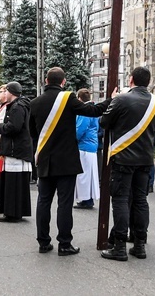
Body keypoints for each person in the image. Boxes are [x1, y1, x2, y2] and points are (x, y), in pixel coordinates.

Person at [29, 66, 112, 256]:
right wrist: (111, 99)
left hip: (45, 160)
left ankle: (43, 242)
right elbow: (92, 110)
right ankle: (64, 244)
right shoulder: (68, 99)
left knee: (43, 202)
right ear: (63, 82)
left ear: (46, 81)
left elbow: (32, 133)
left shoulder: (34, 103)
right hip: (66, 161)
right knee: (64, 204)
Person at [99, 66, 155, 262]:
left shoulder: (122, 99)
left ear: (131, 79)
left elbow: (103, 122)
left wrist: (113, 98)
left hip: (123, 158)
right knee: (141, 200)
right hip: (145, 159)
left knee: (120, 200)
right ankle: (140, 244)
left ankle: (119, 246)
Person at [0, 81, 32, 222]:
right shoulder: (18, 105)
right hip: (16, 149)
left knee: (14, 184)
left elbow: (13, 127)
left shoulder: (17, 107)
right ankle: (13, 211)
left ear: (11, 92)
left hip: (15, 150)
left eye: (5, 91)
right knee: (14, 184)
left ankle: (13, 213)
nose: (3, 93)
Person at [74, 88, 100, 209]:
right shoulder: (93, 110)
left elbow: (80, 130)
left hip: (84, 146)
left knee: (83, 175)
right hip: (91, 145)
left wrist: (73, 140)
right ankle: (88, 198)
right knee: (89, 174)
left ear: (79, 98)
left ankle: (85, 199)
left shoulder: (84, 111)